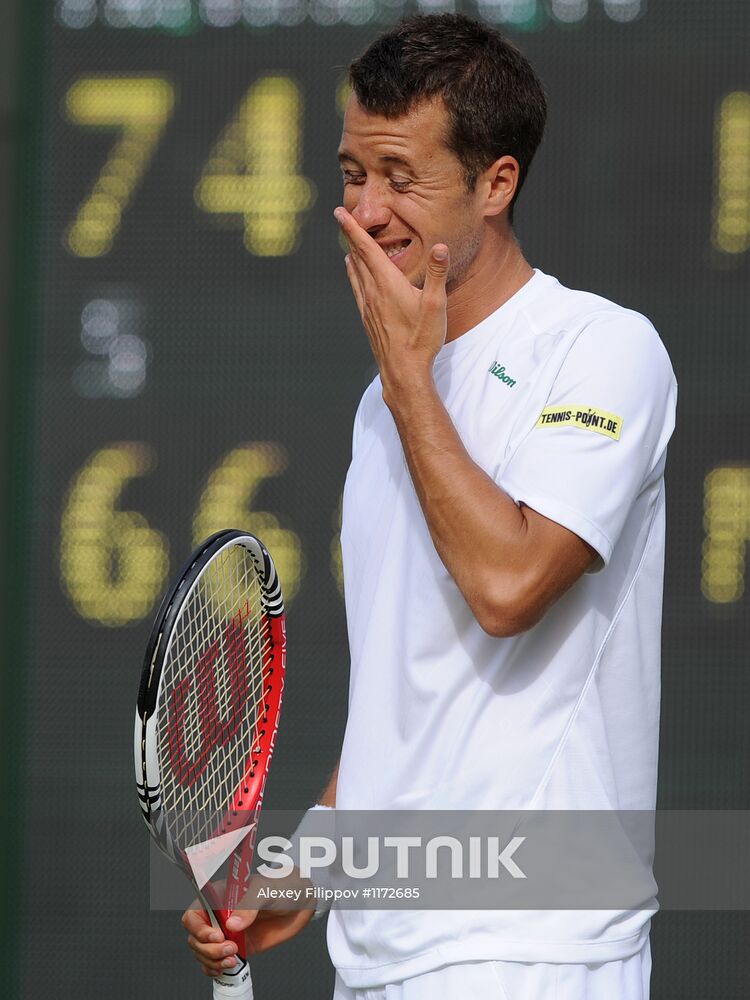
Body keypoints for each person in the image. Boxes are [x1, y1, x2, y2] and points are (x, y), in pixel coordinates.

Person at [182, 13, 677, 998]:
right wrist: (311, 868)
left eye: (401, 177)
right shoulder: (383, 408)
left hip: (532, 951)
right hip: (376, 956)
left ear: (498, 183)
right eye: (352, 174)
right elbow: (409, 707)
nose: (364, 210)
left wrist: (412, 383)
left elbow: (507, 583)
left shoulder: (603, 351)